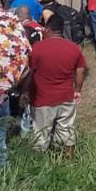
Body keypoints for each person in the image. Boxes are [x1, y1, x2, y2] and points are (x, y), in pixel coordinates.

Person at [20, 13, 87, 156]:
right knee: (67, 130)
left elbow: (29, 73)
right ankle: (69, 161)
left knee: (41, 135)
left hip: (42, 100)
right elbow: (80, 70)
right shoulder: (74, 48)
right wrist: (77, 91)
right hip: (66, 97)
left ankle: (41, 165)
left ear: (47, 30)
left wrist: (25, 91)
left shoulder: (37, 49)